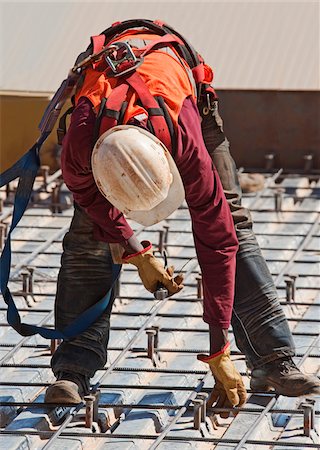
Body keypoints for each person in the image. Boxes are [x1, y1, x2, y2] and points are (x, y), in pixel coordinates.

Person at [45, 21, 320, 408]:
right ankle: (72, 371)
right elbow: (91, 197)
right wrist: (136, 249)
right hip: (105, 101)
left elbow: (217, 242)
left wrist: (217, 350)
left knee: (234, 225)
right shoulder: (82, 141)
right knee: (90, 236)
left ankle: (273, 360)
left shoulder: (186, 145)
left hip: (178, 99)